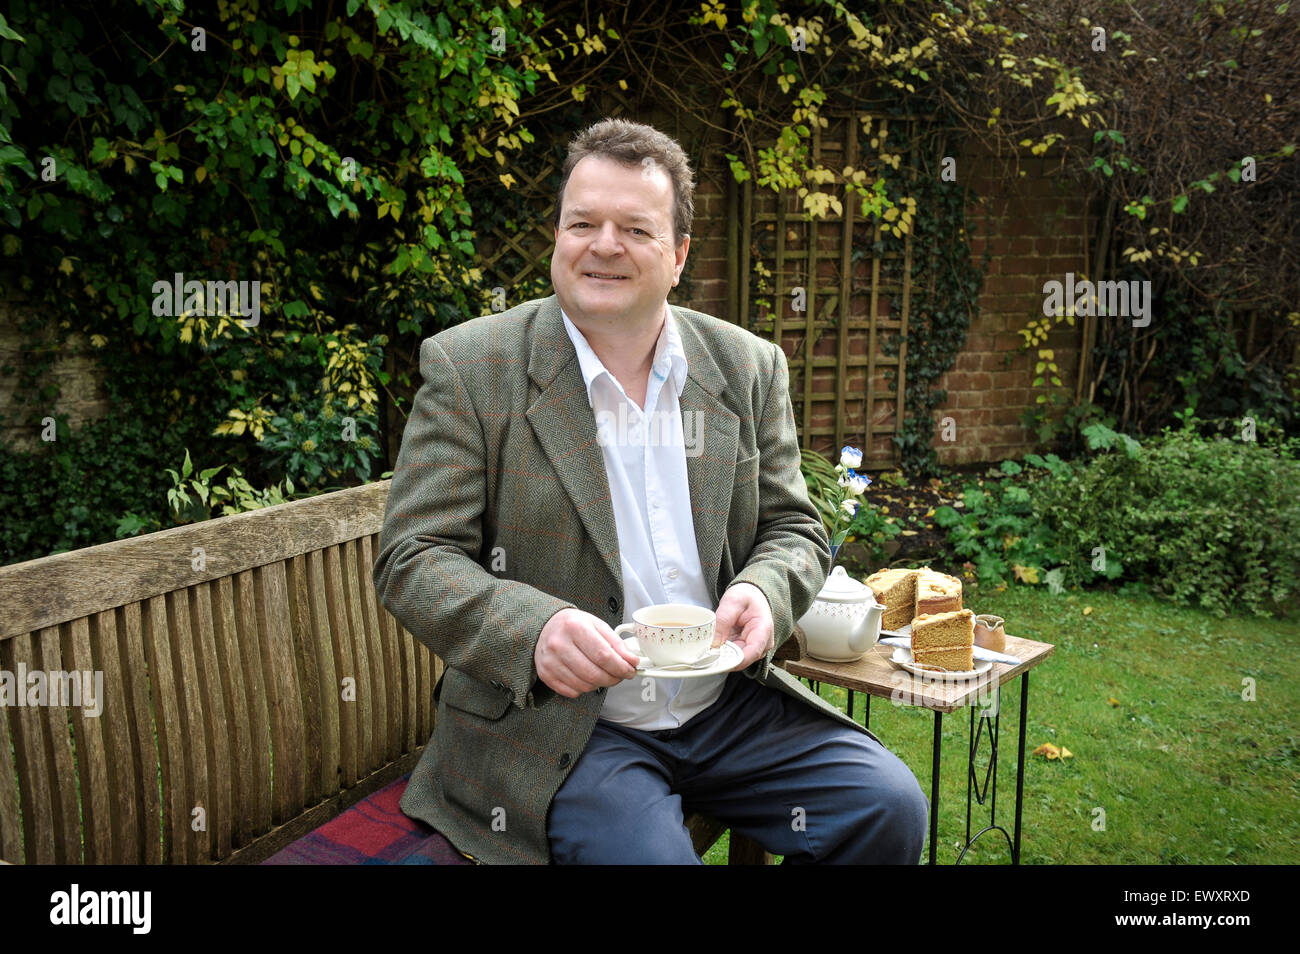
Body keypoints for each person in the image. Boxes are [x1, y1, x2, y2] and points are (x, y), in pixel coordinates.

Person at [372, 117, 928, 864]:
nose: (603, 245)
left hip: (725, 709)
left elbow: (794, 527)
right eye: (583, 223)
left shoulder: (745, 367)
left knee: (888, 808)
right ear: (558, 237)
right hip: (566, 730)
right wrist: (532, 631)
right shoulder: (474, 369)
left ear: (679, 256)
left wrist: (764, 593)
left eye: (635, 228)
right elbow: (413, 556)